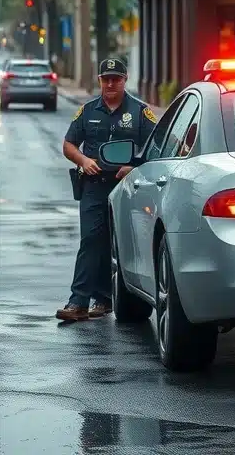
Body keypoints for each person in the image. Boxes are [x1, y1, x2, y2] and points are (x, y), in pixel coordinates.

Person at [56, 57, 158, 322]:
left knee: (117, 242)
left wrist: (134, 166)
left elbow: (156, 147)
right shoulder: (88, 111)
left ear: (125, 80)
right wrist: (83, 160)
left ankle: (105, 298)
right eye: (106, 79)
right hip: (94, 185)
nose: (111, 83)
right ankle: (78, 302)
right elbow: (68, 145)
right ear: (99, 81)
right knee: (90, 240)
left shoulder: (140, 112)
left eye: (116, 79)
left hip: (126, 187)